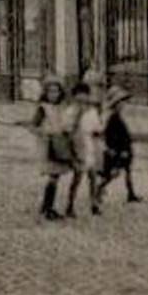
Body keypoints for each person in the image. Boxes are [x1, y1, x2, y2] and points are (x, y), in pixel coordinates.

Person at [30, 74, 72, 221]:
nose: (53, 94)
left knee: (56, 176)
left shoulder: (62, 107)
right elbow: (33, 126)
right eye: (50, 91)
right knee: (53, 177)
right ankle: (48, 208)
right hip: (49, 146)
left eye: (56, 91)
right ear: (45, 93)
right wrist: (44, 134)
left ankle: (46, 207)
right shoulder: (43, 108)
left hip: (59, 144)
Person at [65, 71, 105, 218]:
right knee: (77, 178)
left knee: (93, 176)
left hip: (90, 146)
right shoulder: (70, 112)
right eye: (79, 99)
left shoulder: (92, 112)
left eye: (85, 98)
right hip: (77, 146)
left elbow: (98, 129)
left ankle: (94, 204)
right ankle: (70, 205)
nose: (82, 102)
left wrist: (98, 133)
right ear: (74, 98)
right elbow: (67, 129)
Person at [97, 85, 143, 204]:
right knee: (114, 173)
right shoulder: (113, 118)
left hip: (124, 149)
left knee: (127, 171)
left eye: (124, 102)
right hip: (118, 149)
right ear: (115, 104)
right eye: (121, 102)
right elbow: (110, 135)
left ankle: (131, 193)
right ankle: (98, 189)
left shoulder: (118, 117)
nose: (123, 105)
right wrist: (115, 149)